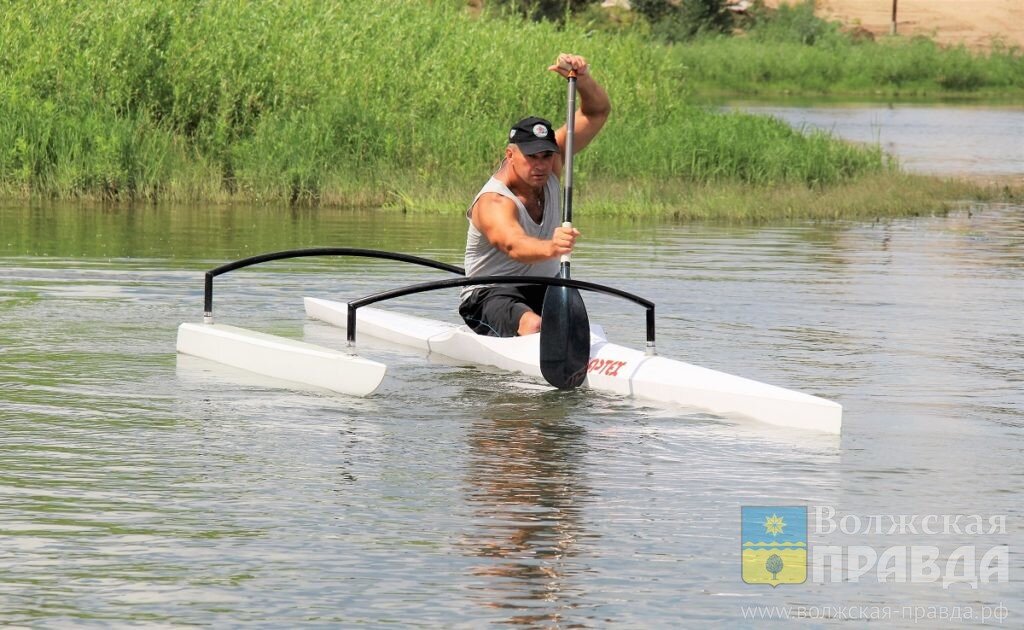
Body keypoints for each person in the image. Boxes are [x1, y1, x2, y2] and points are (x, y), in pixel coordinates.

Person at [459, 53, 611, 338]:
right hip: (491, 295)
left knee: (580, 329)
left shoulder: (552, 165)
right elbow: (514, 245)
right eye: (531, 157)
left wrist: (583, 77)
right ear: (510, 154)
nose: (541, 165)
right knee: (535, 325)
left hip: (546, 287)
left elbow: (595, 113)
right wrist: (553, 247)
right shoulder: (494, 201)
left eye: (546, 155)